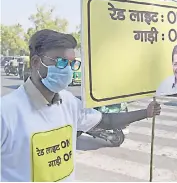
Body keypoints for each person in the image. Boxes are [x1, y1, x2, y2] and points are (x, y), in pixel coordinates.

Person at [1, 29, 161, 182]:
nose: (68, 70)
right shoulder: (6, 113)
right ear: (36, 62)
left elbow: (106, 121)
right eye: (61, 62)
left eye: (72, 64)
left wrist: (146, 113)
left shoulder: (69, 102)